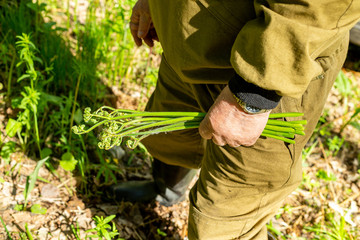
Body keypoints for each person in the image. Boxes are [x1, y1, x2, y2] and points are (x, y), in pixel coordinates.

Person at [107, 0, 360, 239]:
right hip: (192, 39)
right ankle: (165, 191)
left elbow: (317, 6)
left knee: (229, 210)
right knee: (170, 133)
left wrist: (254, 95)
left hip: (268, 67)